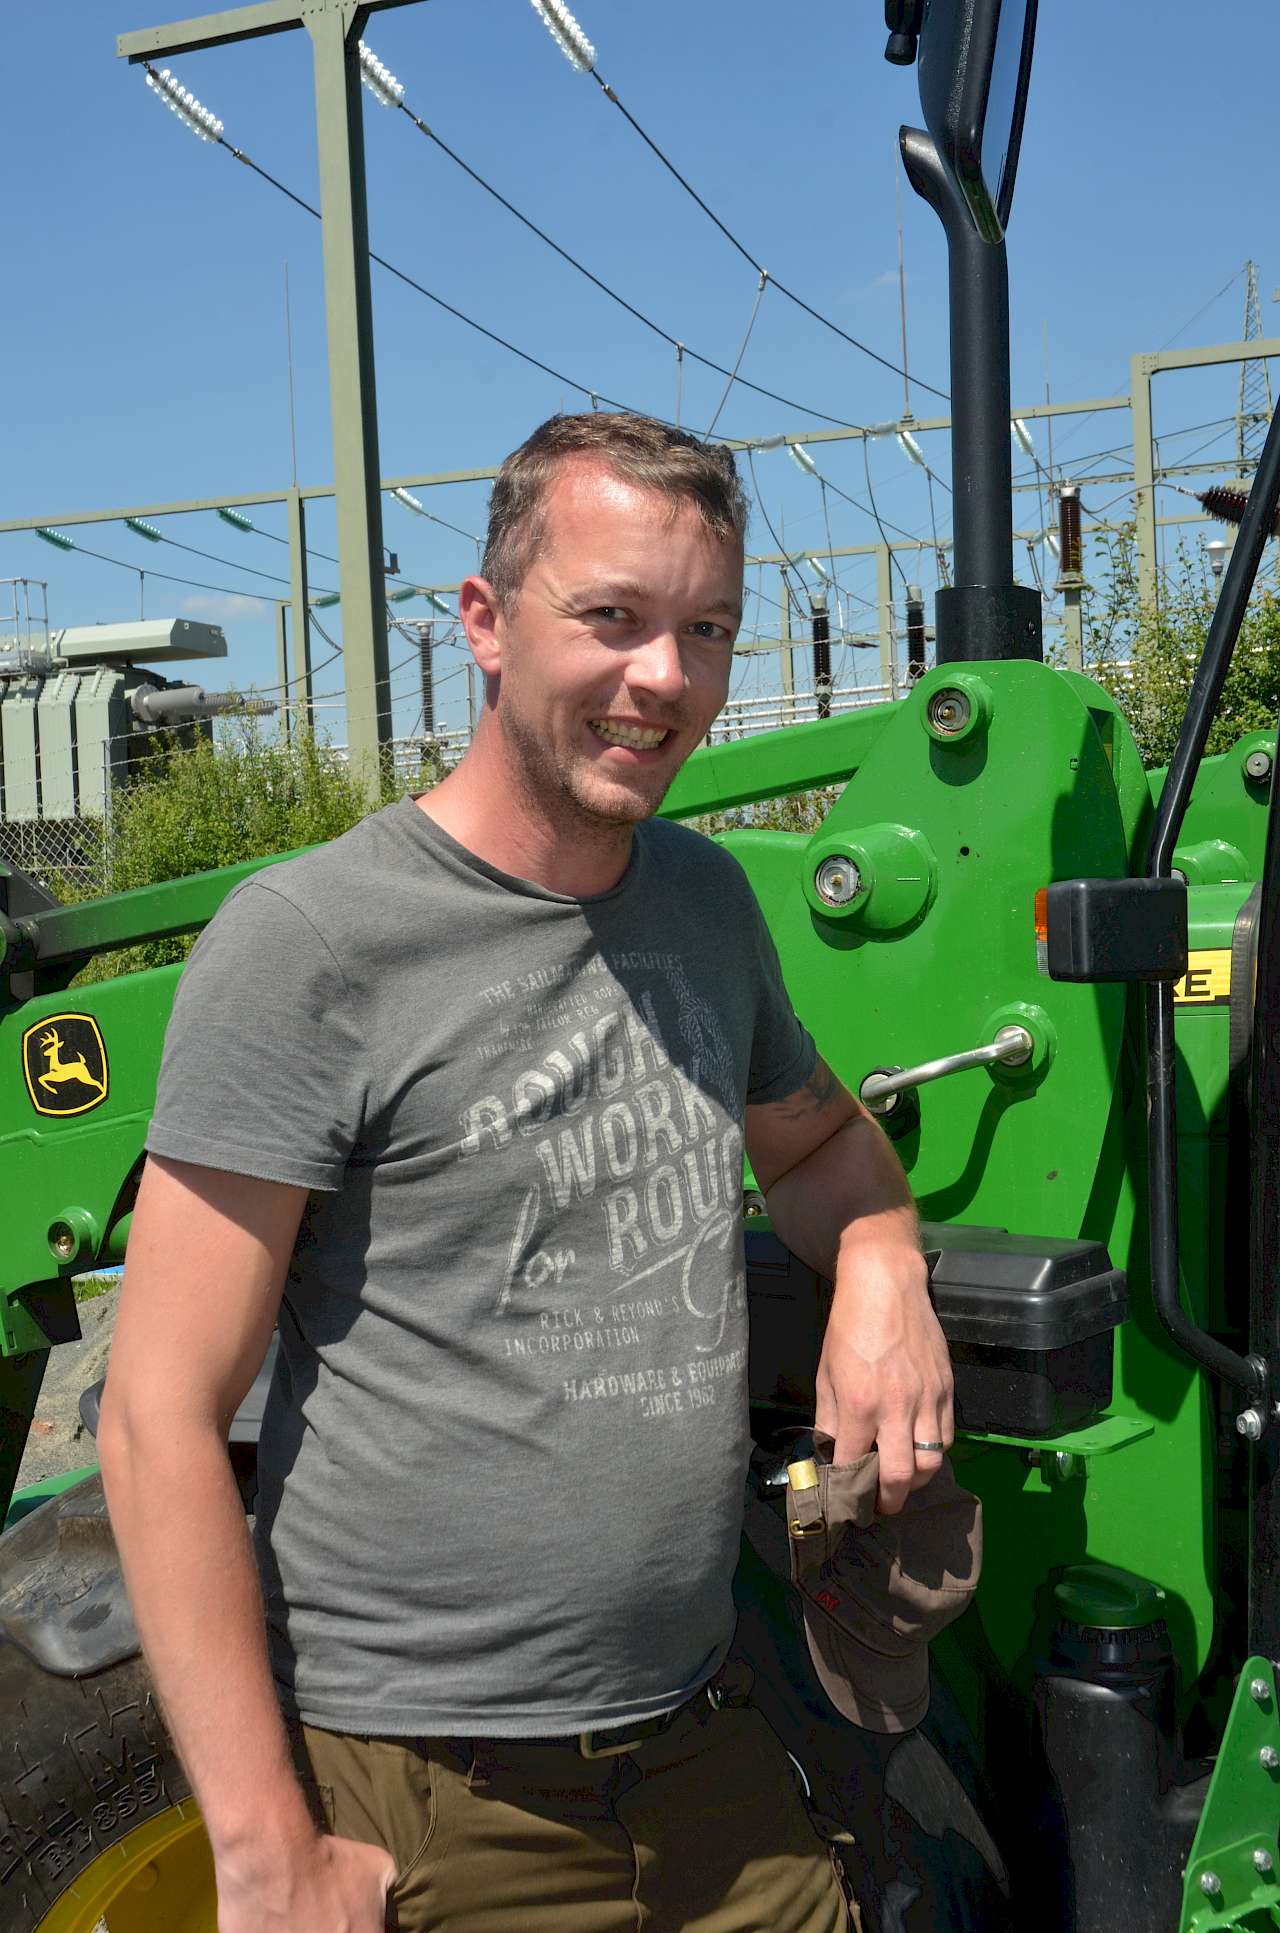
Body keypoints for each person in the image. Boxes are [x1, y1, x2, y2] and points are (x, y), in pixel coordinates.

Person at [99, 411, 953, 1933]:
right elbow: (155, 1410)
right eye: (612, 617)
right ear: (486, 623)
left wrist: (884, 1261)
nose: (666, 677)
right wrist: (266, 1852)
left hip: (701, 1747)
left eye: (706, 629)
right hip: (436, 1792)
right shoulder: (312, 945)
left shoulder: (703, 904)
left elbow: (821, 1139)